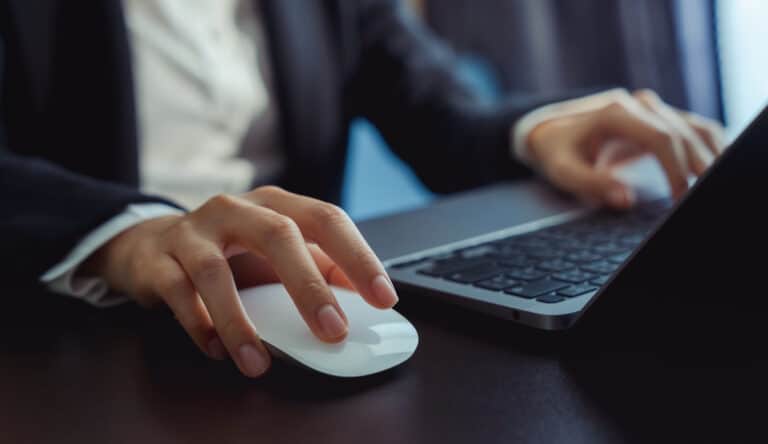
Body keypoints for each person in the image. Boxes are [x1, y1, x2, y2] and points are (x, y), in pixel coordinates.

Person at [0, 0, 725, 378]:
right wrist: (128, 233)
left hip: (304, 320)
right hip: (64, 345)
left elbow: (435, 105)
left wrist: (540, 128)